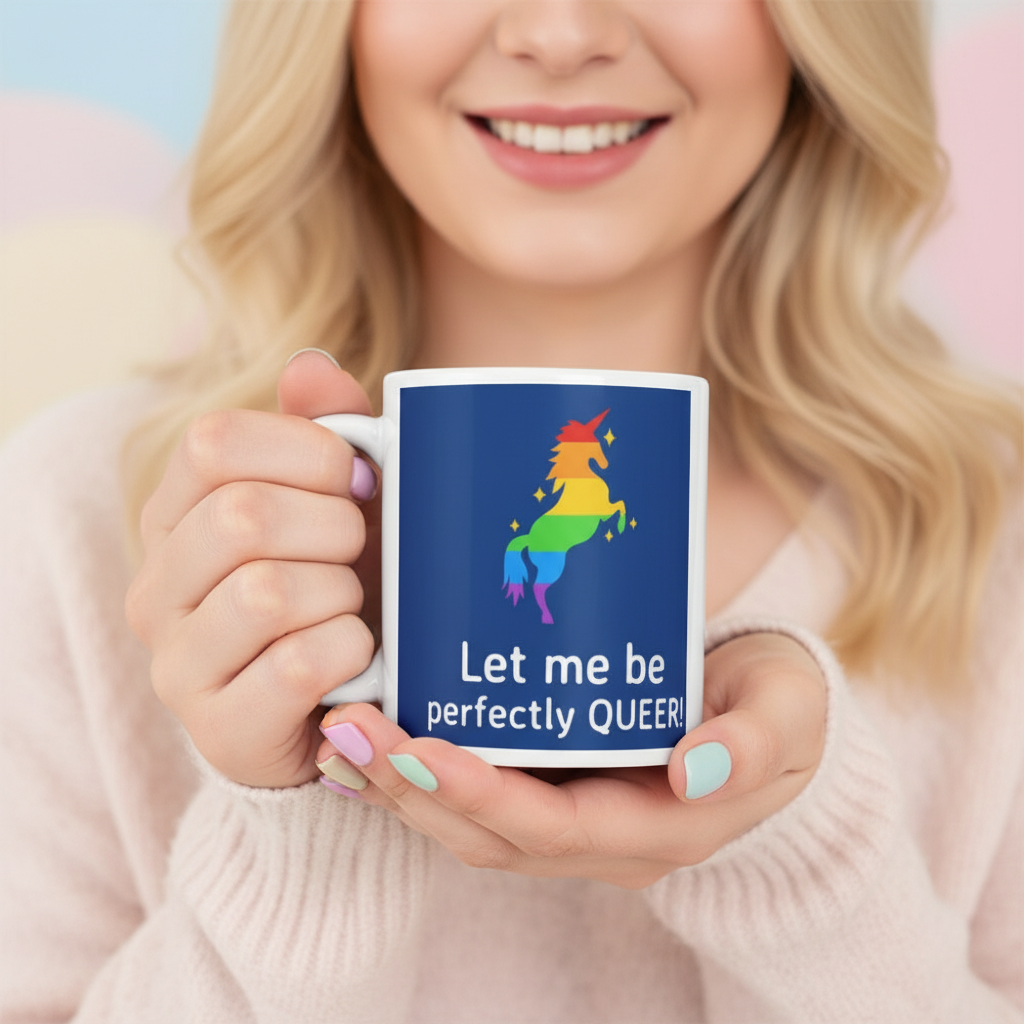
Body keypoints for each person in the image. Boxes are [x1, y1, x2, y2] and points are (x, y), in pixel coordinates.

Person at [2, 1, 1021, 1021]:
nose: (561, 35)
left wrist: (804, 856)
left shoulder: (1001, 534)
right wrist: (301, 836)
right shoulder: (76, 516)